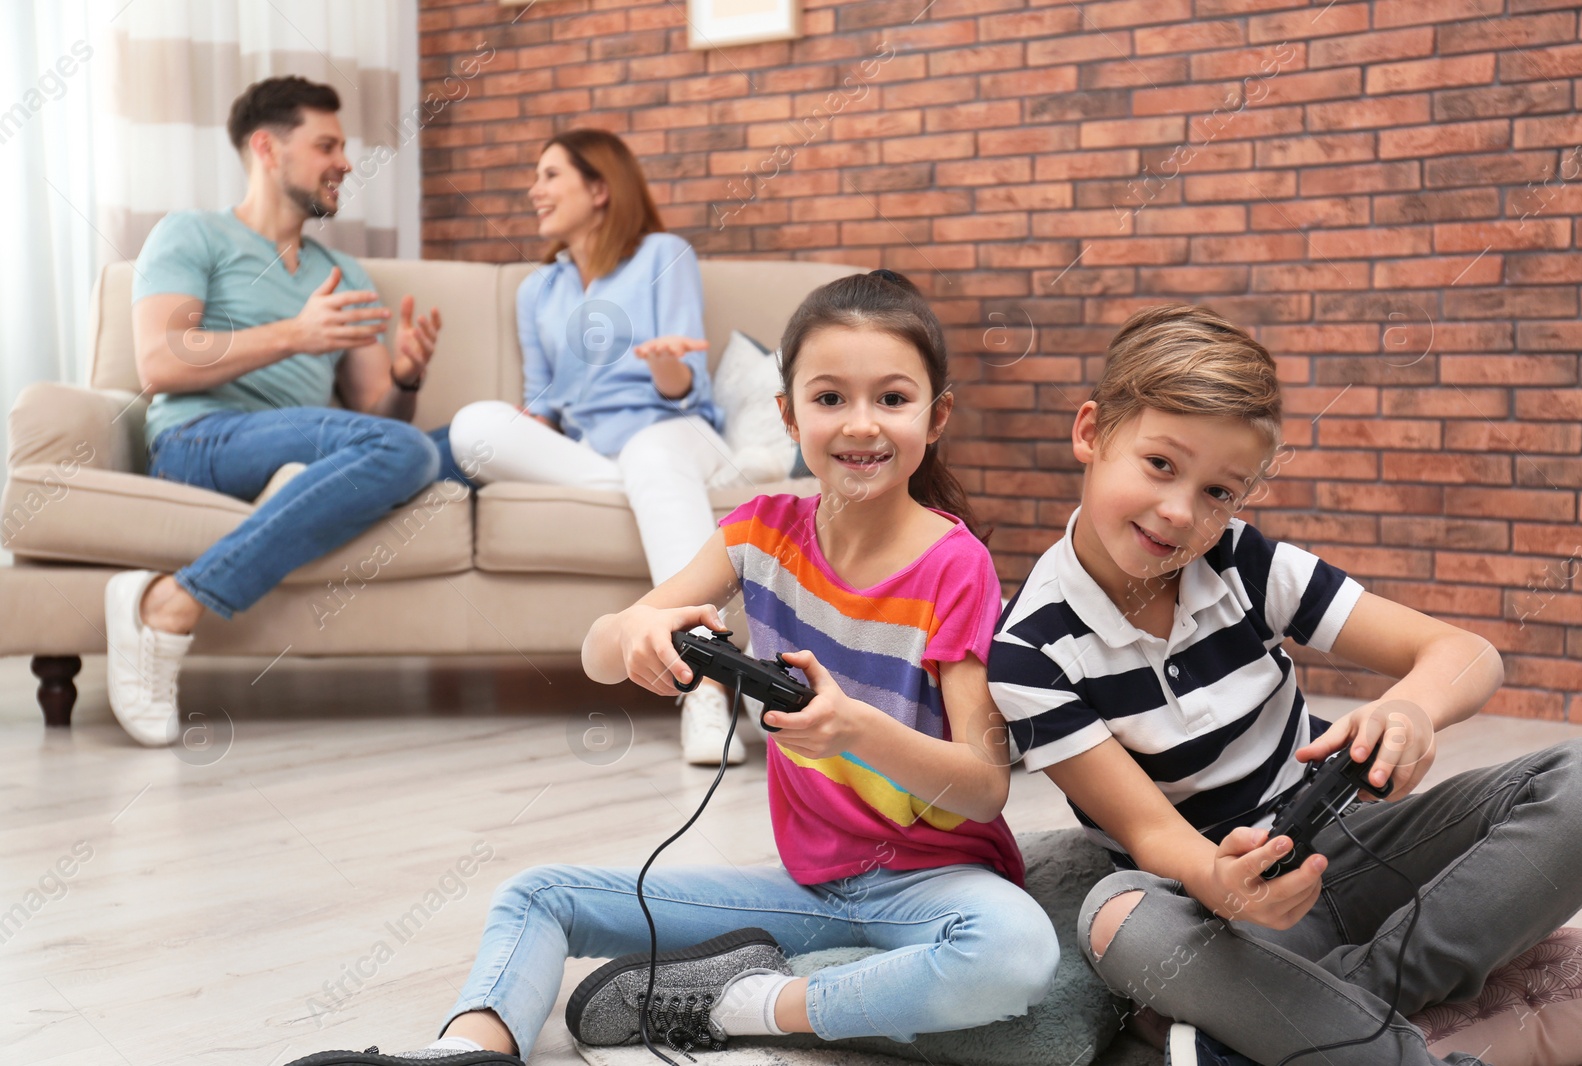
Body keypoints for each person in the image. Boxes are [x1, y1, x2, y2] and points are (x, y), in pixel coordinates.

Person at [291, 270, 1058, 1066]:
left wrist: (854, 731)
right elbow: (601, 646)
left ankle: (742, 1003)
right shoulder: (763, 532)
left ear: (935, 419)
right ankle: (467, 1053)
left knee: (1016, 954)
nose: (860, 425)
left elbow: (985, 781)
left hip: (936, 892)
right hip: (810, 889)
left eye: (891, 399)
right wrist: (635, 636)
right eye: (829, 398)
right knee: (537, 895)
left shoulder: (954, 565)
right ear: (788, 414)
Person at [987, 304, 1582, 1066]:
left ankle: (1311, 1016)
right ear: (1091, 432)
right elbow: (1154, 837)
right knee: (1116, 922)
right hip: (1222, 909)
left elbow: (1465, 653)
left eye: (1220, 492)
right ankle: (1362, 1038)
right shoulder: (1029, 654)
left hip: (1353, 847)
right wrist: (1222, 881)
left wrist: (1412, 707)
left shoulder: (1244, 563)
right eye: (1160, 464)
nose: (1180, 512)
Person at [111, 75, 463, 747]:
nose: (346, 162)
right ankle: (169, 602)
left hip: (303, 441)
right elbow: (159, 362)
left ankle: (296, 485)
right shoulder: (194, 235)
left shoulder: (342, 272)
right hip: (200, 438)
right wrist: (293, 335)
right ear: (268, 149)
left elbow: (378, 415)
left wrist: (408, 377)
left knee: (467, 450)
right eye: (327, 144)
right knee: (410, 455)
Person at [447, 129, 747, 766]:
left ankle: (707, 688)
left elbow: (682, 385)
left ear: (600, 188)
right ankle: (646, 496)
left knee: (650, 457)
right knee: (474, 424)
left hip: (675, 431)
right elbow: (541, 406)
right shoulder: (538, 291)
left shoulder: (663, 254)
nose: (536, 190)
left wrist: (665, 364)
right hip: (595, 456)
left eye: (552, 175)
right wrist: (522, 435)